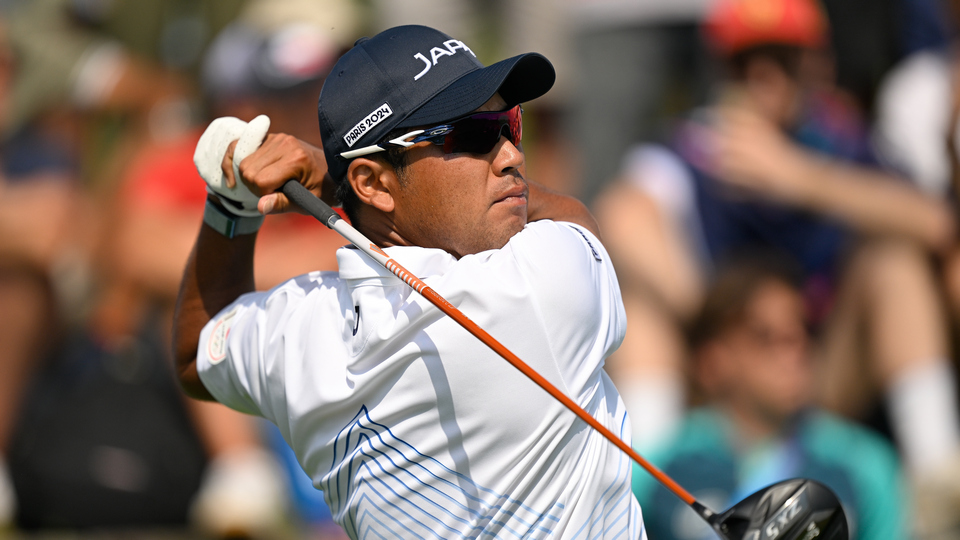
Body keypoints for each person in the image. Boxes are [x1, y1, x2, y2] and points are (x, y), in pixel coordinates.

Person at [173, 24, 643, 539]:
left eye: (509, 123)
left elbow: (195, 352)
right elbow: (574, 218)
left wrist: (231, 204)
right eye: (473, 135)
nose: (511, 156)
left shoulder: (298, 326)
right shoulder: (541, 285)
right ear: (373, 183)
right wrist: (329, 178)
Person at [594, 0, 960, 533]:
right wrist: (727, 325)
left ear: (815, 66)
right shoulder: (697, 147)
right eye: (746, 64)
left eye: (781, 61)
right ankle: (650, 499)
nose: (764, 79)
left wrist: (799, 177)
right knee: (642, 304)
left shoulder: (843, 146)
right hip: (721, 372)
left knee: (894, 265)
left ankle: (939, 484)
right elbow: (620, 214)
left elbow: (936, 223)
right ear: (723, 71)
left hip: (819, 371)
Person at [633, 254, 907, 540]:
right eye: (764, 336)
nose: (795, 346)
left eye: (803, 328)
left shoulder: (867, 465)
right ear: (712, 361)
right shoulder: (659, 467)